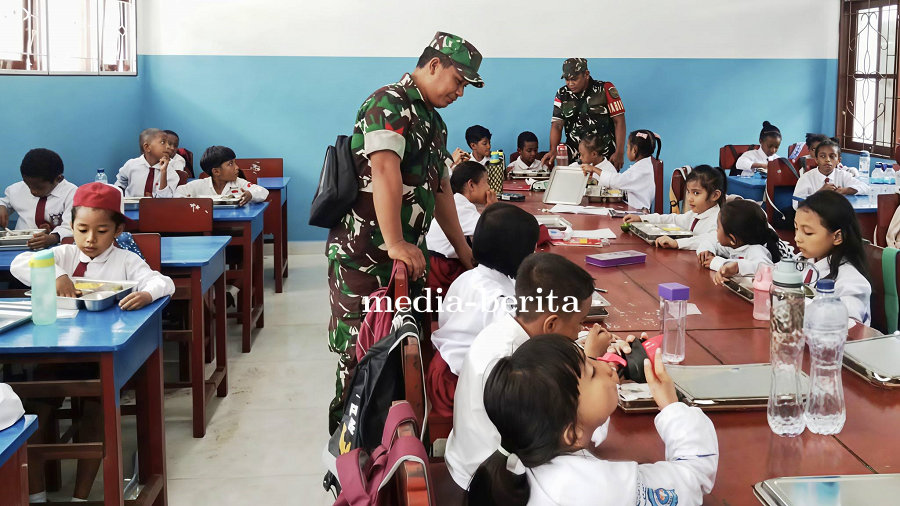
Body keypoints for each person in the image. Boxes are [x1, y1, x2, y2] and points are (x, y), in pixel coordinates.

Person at [325, 32, 481, 430]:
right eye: (458, 80)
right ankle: (348, 443)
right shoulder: (389, 103)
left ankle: (389, 442)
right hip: (365, 258)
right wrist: (394, 241)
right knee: (360, 353)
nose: (460, 92)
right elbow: (383, 169)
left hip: (404, 259)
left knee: (398, 355)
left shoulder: (435, 122)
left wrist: (464, 251)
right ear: (434, 65)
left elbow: (441, 190)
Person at [11, 182, 174, 503]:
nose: (90, 239)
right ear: (71, 227)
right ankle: (37, 497)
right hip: (57, 354)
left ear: (118, 230)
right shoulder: (64, 254)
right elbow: (20, 263)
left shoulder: (126, 260)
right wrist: (56, 274)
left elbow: (161, 281)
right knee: (32, 413)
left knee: (97, 412)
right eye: (82, 229)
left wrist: (146, 293)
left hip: (105, 356)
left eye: (101, 231)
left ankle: (80, 498)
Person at [466, 335, 719, 506]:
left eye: (591, 359)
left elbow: (584, 425)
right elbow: (694, 478)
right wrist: (671, 406)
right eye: (592, 373)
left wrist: (608, 373)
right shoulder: (603, 488)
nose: (604, 366)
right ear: (570, 432)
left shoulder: (533, 449)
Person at [445, 252, 597, 487]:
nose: (580, 331)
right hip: (494, 483)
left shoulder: (500, 330)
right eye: (580, 322)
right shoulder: (520, 369)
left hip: (470, 461)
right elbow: (575, 432)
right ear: (551, 324)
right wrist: (592, 362)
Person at [427, 204, 539, 418]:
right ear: (520, 255)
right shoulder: (498, 301)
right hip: (457, 385)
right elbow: (523, 350)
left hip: (445, 369)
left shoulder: (469, 277)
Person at [796, 191, 872, 324]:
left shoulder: (852, 280)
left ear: (837, 237)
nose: (797, 238)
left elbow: (845, 321)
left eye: (808, 232)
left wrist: (793, 301)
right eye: (796, 228)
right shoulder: (802, 260)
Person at [540, 58, 626, 168]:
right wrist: (553, 150)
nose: (570, 83)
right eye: (567, 79)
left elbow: (619, 121)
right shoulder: (562, 94)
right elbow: (557, 125)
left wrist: (619, 152)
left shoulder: (605, 89)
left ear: (586, 74)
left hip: (603, 157)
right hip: (575, 158)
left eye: (574, 79)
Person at [426, 161, 496, 293]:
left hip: (439, 265)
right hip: (442, 270)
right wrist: (494, 209)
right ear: (471, 185)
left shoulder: (458, 202)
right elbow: (494, 232)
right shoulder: (461, 208)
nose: (489, 187)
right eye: (486, 182)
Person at [625, 165, 725, 250]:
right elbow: (672, 219)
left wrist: (677, 243)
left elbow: (708, 240)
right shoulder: (694, 214)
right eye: (688, 192)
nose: (689, 198)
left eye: (696, 193)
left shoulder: (719, 220)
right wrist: (641, 218)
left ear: (715, 195)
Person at [0, 148, 76, 250]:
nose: (33, 191)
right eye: (28, 186)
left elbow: (71, 226)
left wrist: (52, 238)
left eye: (39, 188)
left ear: (57, 179)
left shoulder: (71, 194)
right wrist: (2, 206)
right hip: (19, 247)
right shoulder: (17, 189)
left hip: (54, 248)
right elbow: (4, 202)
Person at [697, 200, 782, 285]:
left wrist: (729, 265)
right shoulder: (734, 244)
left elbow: (765, 268)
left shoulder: (756, 250)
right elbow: (711, 241)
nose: (716, 230)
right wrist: (707, 250)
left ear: (732, 238)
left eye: (718, 227)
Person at [581, 130, 660, 211]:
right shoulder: (643, 166)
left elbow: (617, 181)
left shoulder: (641, 170)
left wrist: (594, 169)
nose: (626, 150)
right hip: (634, 209)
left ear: (634, 150)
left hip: (638, 212)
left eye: (627, 147)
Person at [176, 145, 269, 204]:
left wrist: (250, 194)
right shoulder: (199, 185)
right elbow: (178, 194)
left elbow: (263, 191)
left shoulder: (239, 183)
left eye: (235, 162)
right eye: (231, 164)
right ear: (216, 171)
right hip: (206, 223)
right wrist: (188, 202)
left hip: (234, 224)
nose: (237, 167)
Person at [793, 140, 868, 209]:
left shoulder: (843, 175)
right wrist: (820, 194)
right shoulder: (806, 178)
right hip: (813, 216)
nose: (827, 160)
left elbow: (866, 188)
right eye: (822, 156)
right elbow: (797, 205)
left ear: (838, 160)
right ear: (816, 159)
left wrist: (845, 190)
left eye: (832, 156)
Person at [115, 128, 180, 198]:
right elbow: (119, 185)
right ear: (147, 147)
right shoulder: (131, 165)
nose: (168, 146)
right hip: (131, 204)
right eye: (163, 142)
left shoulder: (170, 172)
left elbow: (166, 199)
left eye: (168, 143)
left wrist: (163, 172)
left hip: (157, 205)